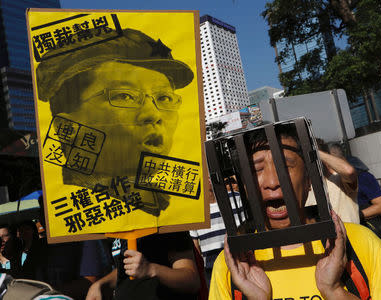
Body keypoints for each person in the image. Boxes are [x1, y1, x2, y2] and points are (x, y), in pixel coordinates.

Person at [209, 124, 381, 299]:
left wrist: (335, 291)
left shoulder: (360, 243)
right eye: (257, 169)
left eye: (285, 166)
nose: (272, 182)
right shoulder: (233, 264)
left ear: (309, 180)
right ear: (243, 185)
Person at [36, 28, 194, 216]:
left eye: (165, 98)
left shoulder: (175, 214)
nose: (154, 114)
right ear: (67, 129)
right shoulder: (81, 237)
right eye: (125, 96)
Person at [85, 232, 200, 300]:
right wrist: (101, 284)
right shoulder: (120, 226)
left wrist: (151, 269)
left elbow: (191, 280)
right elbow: (128, 268)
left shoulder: (165, 224)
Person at [190, 182, 245, 286]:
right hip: (212, 267)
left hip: (240, 261)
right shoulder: (193, 209)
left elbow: (246, 228)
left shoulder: (235, 197)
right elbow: (195, 244)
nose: (208, 179)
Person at [331, 146, 381, 242]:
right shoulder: (328, 182)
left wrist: (354, 215)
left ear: (342, 159)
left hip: (370, 237)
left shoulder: (363, 176)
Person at [306, 141, 360, 223]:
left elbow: (349, 171)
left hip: (350, 234)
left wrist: (316, 152)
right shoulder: (305, 188)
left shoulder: (339, 179)